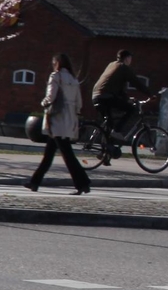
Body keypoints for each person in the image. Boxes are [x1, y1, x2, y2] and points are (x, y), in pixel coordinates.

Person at [26, 53, 91, 194]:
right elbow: (79, 101)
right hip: (69, 118)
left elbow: (51, 96)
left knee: (67, 155)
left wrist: (43, 103)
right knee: (49, 154)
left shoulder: (56, 77)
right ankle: (34, 182)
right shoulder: (73, 79)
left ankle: (83, 183)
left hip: (57, 118)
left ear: (57, 63)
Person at [84, 49, 135, 165]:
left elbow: (118, 89)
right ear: (126, 58)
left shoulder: (112, 65)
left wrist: (126, 99)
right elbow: (135, 82)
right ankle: (116, 132)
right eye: (130, 58)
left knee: (109, 123)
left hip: (97, 96)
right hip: (104, 98)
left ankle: (105, 155)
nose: (131, 61)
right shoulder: (122, 67)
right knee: (131, 109)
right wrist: (149, 94)